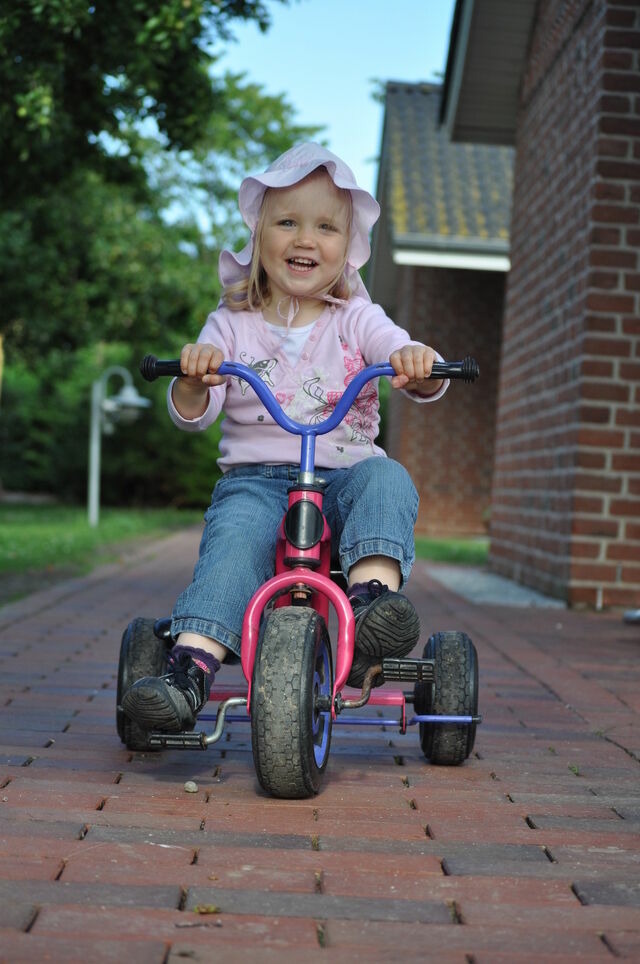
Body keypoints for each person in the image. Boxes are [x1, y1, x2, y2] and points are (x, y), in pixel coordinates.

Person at [122, 143, 447, 734]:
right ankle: (190, 666)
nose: (306, 239)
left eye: (326, 227)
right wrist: (196, 377)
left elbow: (394, 348)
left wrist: (414, 360)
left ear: (347, 249)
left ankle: (371, 602)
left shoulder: (356, 317)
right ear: (258, 234)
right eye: (288, 222)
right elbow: (195, 411)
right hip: (257, 481)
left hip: (345, 474)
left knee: (387, 478)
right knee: (234, 544)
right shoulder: (230, 324)